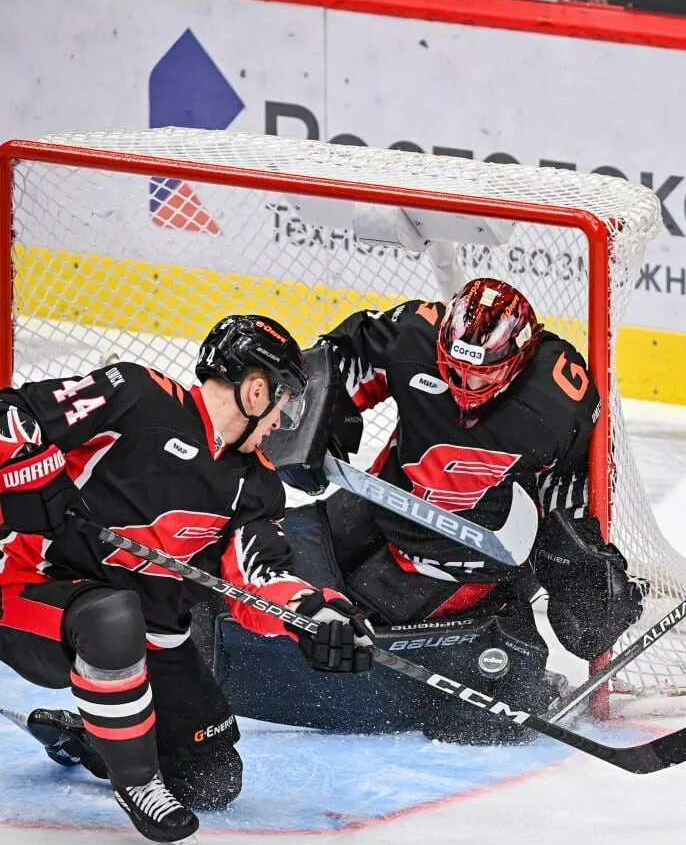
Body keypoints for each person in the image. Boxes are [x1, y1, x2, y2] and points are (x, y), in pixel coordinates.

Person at [208, 279, 645, 743]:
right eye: (455, 370)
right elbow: (339, 357)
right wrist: (308, 424)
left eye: (483, 376)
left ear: (518, 359)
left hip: (463, 560)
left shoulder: (560, 398)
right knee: (256, 568)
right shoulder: (414, 332)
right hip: (377, 505)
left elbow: (576, 484)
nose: (466, 386)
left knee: (349, 644)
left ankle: (507, 640)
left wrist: (574, 562)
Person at [0, 315, 374, 845]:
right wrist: (26, 471)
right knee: (112, 613)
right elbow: (13, 414)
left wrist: (315, 615)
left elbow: (258, 577)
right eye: (286, 402)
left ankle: (92, 735)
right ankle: (137, 782)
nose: (283, 422)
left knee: (211, 777)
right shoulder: (136, 396)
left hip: (152, 634)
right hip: (30, 595)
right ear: (255, 388)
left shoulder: (258, 486)